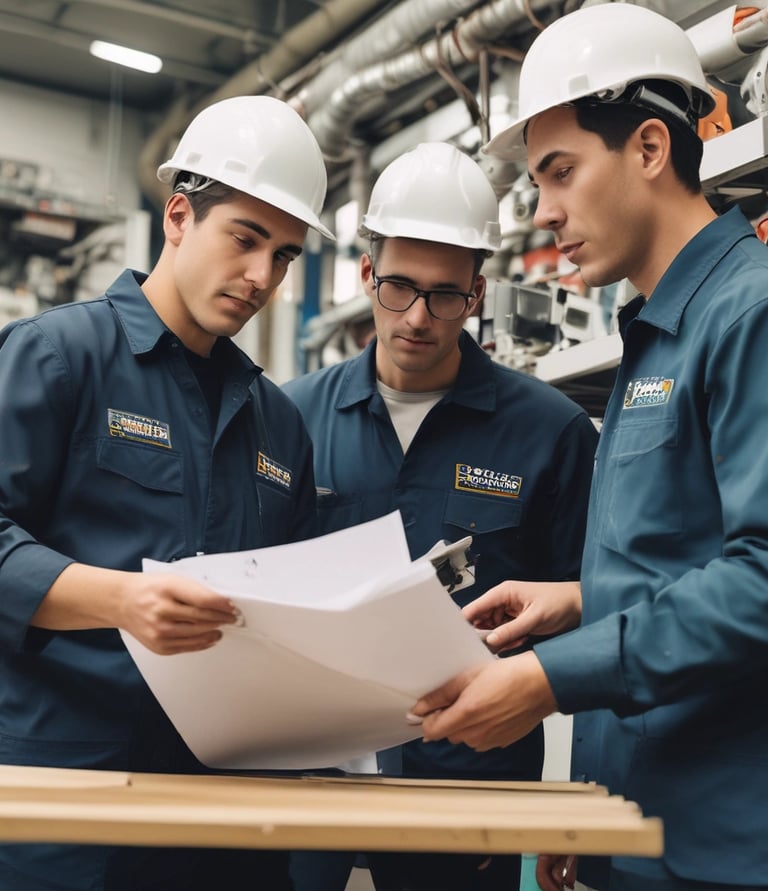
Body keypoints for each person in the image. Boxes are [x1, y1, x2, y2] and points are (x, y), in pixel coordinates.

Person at [409, 6, 768, 891]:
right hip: (636, 817)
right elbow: (681, 556)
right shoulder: (658, 331)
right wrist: (577, 600)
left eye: (560, 173)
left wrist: (545, 680)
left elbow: (761, 577)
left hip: (719, 844)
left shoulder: (747, 317)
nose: (546, 212)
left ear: (650, 148)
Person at [0, 94, 334, 891]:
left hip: (226, 816)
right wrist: (119, 600)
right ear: (178, 216)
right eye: (245, 239)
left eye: (284, 256)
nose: (262, 277)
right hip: (71, 804)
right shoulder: (56, 357)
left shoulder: (278, 424)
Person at [283, 141, 598, 891]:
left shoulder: (549, 432)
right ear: (366, 276)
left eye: (445, 295)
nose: (419, 317)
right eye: (398, 287)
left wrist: (581, 801)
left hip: (470, 798)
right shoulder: (290, 419)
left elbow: (600, 622)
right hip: (312, 789)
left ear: (478, 294)